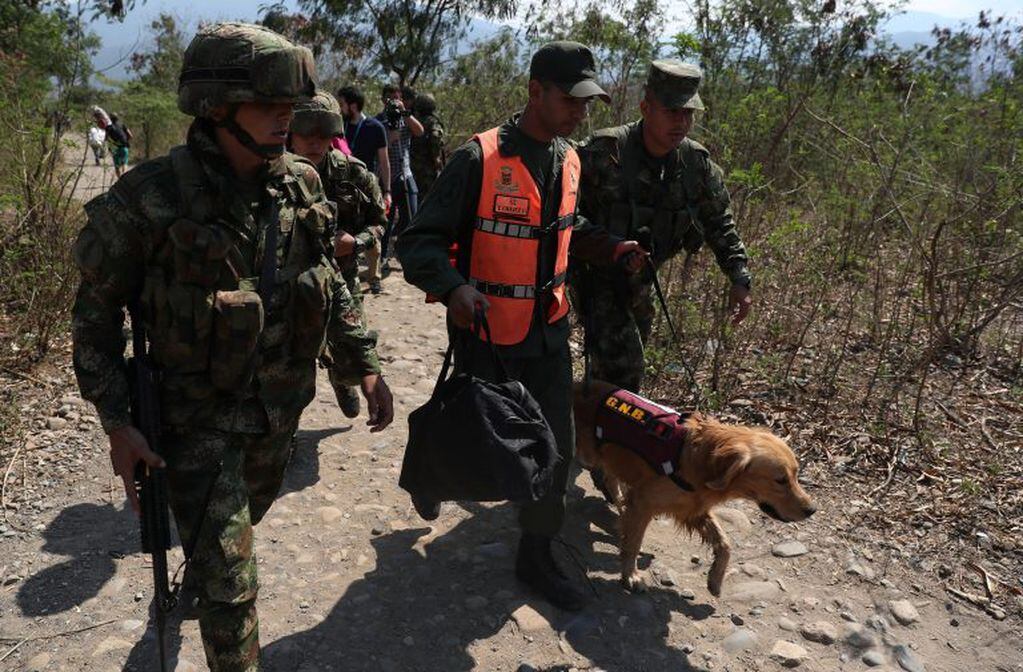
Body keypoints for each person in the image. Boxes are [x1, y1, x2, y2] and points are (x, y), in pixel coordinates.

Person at [71, 23, 393, 671]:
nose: (288, 117)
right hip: (196, 420)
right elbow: (95, 317)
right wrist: (117, 423)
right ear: (217, 107)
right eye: (269, 104)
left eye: (291, 104)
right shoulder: (149, 199)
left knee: (239, 527)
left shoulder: (302, 184)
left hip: (278, 413)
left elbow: (325, 282)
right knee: (231, 582)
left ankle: (206, 562)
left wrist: (362, 363)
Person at [397, 41, 646, 612]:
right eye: (571, 99)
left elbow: (565, 225)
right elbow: (418, 242)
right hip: (489, 336)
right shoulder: (477, 159)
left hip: (550, 334)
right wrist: (453, 286)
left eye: (589, 100)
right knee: (479, 450)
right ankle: (428, 477)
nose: (581, 111)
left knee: (552, 450)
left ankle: (536, 555)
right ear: (535, 91)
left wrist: (612, 248)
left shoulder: (569, 158)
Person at [572, 60, 752, 394]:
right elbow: (563, 215)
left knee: (621, 372)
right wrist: (608, 246)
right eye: (672, 112)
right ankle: (597, 437)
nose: (681, 122)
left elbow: (718, 221)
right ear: (645, 108)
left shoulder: (694, 164)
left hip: (643, 280)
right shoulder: (603, 153)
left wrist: (739, 275)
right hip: (597, 276)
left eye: (688, 113)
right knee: (622, 368)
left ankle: (592, 432)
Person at [289, 89, 387, 419]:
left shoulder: (354, 174)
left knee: (350, 359)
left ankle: (338, 374)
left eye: (323, 135)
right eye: (306, 134)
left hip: (340, 278)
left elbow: (379, 224)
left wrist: (356, 242)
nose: (315, 143)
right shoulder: (271, 171)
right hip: (287, 282)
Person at [338, 84, 390, 292]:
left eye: (341, 103)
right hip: (341, 188)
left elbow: (384, 162)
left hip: (367, 189)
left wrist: (387, 190)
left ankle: (374, 277)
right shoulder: (338, 125)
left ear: (352, 105)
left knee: (372, 232)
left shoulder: (375, 127)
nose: (339, 107)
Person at [377, 84, 423, 272]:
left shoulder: (406, 118)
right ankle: (381, 258)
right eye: (391, 98)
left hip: (406, 174)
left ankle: (408, 255)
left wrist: (405, 114)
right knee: (385, 221)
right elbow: (382, 145)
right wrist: (391, 132)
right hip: (386, 177)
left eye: (398, 98)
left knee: (412, 217)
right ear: (384, 100)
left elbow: (420, 131)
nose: (395, 101)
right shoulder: (378, 121)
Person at [409, 92, 445, 198]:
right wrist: (437, 158)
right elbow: (435, 137)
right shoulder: (433, 122)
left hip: (414, 165)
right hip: (428, 168)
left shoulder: (414, 121)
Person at [105, 112, 133, 177]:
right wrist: (126, 141)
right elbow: (131, 135)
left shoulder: (108, 128)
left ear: (110, 119)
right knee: (124, 163)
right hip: (124, 147)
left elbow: (106, 139)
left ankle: (120, 180)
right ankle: (125, 175)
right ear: (118, 118)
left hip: (115, 148)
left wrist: (111, 144)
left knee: (117, 166)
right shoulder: (123, 125)